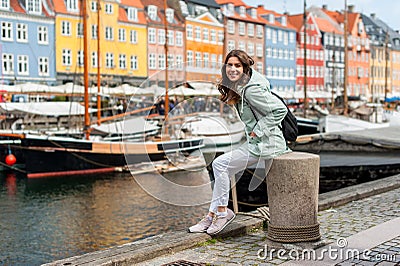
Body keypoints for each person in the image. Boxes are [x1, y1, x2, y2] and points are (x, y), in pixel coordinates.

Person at [188, 49, 290, 235]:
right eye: (230, 65)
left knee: (220, 164)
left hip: (267, 144)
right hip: (259, 143)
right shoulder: (242, 87)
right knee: (222, 168)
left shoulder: (251, 90)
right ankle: (214, 214)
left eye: (237, 65)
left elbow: (280, 110)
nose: (233, 69)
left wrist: (256, 131)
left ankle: (221, 213)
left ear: (244, 68)